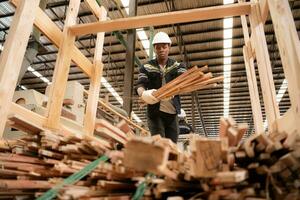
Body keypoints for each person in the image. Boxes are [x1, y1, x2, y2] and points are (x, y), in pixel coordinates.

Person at [136, 32, 187, 143]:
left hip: (172, 113)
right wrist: (144, 94)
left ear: (169, 47)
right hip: (155, 113)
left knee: (172, 144)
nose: (161, 50)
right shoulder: (146, 67)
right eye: (158, 47)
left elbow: (183, 81)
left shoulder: (178, 66)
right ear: (154, 49)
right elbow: (140, 85)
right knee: (160, 144)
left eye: (164, 47)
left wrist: (172, 91)